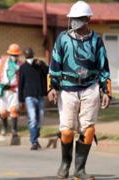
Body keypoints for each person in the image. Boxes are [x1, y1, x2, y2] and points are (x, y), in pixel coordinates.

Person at [48, 1, 111, 179]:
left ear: (88, 19)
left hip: (90, 88)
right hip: (67, 89)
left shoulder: (96, 40)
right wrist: (52, 86)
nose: (75, 21)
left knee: (88, 130)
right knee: (67, 130)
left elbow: (103, 67)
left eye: (79, 18)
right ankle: (65, 163)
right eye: (73, 18)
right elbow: (54, 64)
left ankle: (80, 169)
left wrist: (106, 91)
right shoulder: (63, 38)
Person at [0, 43, 22, 145]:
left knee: (14, 110)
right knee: (2, 112)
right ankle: (4, 127)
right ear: (9, 54)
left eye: (16, 55)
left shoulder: (20, 64)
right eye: (13, 55)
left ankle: (14, 130)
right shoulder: (2, 62)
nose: (14, 57)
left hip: (14, 90)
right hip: (2, 90)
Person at [18, 47, 48, 150]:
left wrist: (43, 65)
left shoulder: (39, 65)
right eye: (27, 55)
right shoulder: (23, 67)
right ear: (25, 56)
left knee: (40, 118)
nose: (29, 56)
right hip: (29, 96)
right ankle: (34, 141)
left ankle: (35, 135)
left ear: (33, 54)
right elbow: (20, 84)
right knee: (33, 118)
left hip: (40, 95)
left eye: (30, 54)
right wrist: (21, 100)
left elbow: (48, 72)